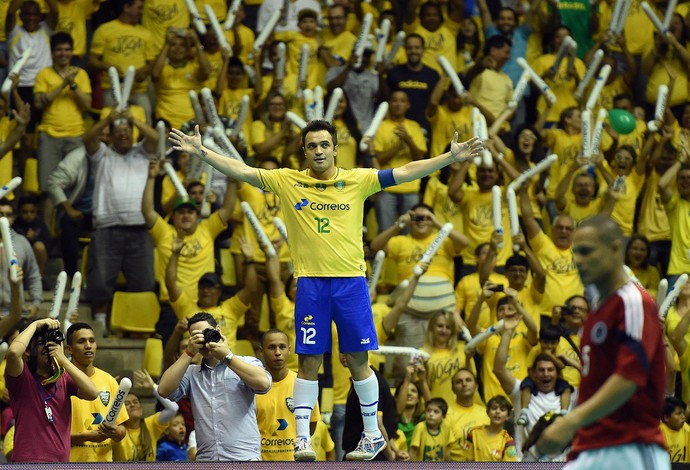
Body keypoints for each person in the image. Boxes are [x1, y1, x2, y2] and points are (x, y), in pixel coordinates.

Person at [168, 119, 482, 461]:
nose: (319, 150)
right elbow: (242, 171)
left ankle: (374, 435)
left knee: (359, 361)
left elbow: (406, 171)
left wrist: (449, 159)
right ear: (304, 152)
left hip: (351, 282)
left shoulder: (359, 179)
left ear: (335, 148)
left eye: (324, 145)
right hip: (310, 283)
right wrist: (202, 151)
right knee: (307, 361)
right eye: (312, 146)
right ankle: (303, 439)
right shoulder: (288, 180)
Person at [536, 215, 670, 469]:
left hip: (631, 448)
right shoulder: (597, 312)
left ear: (616, 249)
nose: (578, 261)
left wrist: (569, 421)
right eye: (576, 253)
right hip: (590, 450)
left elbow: (629, 377)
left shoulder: (633, 301)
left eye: (586, 252)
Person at [158, 312, 272, 461]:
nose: (203, 340)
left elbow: (264, 384)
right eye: (196, 336)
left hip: (244, 458)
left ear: (218, 331)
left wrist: (228, 357)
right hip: (207, 460)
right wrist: (189, 352)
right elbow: (163, 390)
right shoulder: (192, 373)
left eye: (206, 333)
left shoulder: (246, 362)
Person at [83, 108, 158, 330]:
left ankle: (137, 329)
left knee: (143, 282)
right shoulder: (102, 154)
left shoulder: (143, 152)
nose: (124, 134)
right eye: (119, 130)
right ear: (111, 134)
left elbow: (155, 138)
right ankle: (99, 325)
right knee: (101, 280)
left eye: (128, 130)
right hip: (107, 227)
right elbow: (87, 139)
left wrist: (134, 119)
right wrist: (108, 119)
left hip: (140, 227)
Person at [5, 315, 98, 462]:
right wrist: (36, 324)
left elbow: (92, 393)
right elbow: (13, 353)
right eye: (43, 343)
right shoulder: (22, 376)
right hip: (29, 462)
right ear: (29, 351)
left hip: (60, 462)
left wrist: (64, 361)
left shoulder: (63, 377)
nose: (50, 348)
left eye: (53, 343)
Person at [255, 328, 320, 460]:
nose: (278, 352)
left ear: (289, 350)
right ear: (261, 351)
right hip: (261, 461)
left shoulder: (302, 384)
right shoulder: (252, 385)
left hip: (294, 461)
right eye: (272, 347)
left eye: (282, 347)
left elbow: (312, 424)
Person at [67, 322, 129, 461]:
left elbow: (122, 430)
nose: (88, 346)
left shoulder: (109, 380)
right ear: (69, 349)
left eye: (92, 341)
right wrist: (86, 436)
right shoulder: (61, 381)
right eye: (81, 341)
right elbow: (51, 438)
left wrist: (115, 432)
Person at [113, 369, 179, 461]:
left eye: (135, 402)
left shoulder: (150, 424)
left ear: (141, 408)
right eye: (127, 403)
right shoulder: (117, 430)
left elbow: (173, 408)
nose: (132, 405)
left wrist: (153, 387)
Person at [465, 395, 518, 462]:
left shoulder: (508, 442)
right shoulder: (474, 433)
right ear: (487, 412)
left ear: (508, 416)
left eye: (502, 409)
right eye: (494, 408)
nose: (497, 412)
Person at [409, 397, 453, 461]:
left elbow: (447, 454)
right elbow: (413, 453)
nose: (431, 414)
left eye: (436, 412)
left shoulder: (446, 428)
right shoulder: (420, 428)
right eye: (428, 410)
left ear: (443, 417)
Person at [659, 396, 690, 463]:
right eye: (678, 414)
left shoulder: (687, 430)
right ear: (666, 417)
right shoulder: (659, 433)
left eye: (683, 413)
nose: (683, 417)